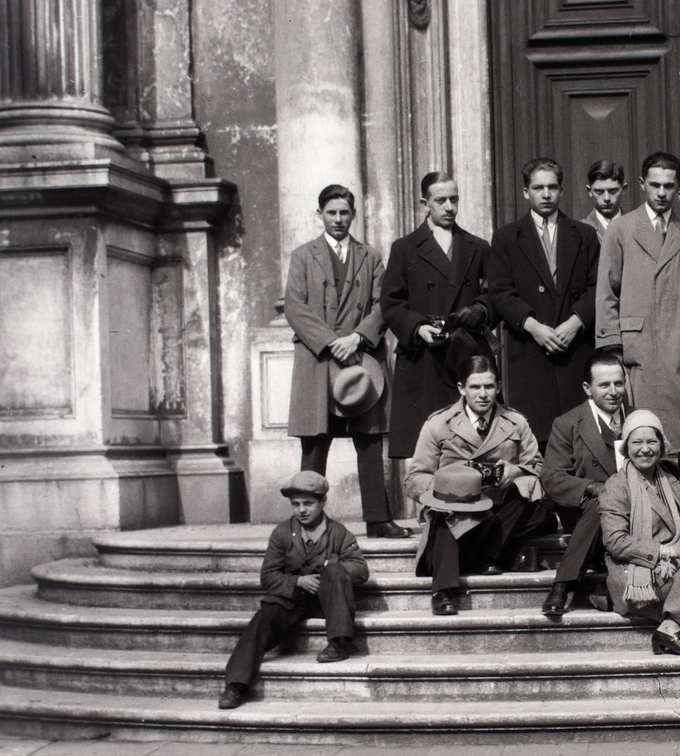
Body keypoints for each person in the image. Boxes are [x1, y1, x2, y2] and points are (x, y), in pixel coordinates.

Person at [282, 184, 409, 538]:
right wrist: (331, 341)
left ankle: (378, 519)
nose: (338, 219)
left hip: (360, 360)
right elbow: (295, 306)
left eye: (344, 212)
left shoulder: (370, 257)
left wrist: (358, 337)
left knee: (368, 440)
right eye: (331, 212)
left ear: (354, 215)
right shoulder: (303, 255)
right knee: (315, 441)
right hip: (319, 360)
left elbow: (384, 303)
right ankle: (304, 521)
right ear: (319, 214)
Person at [405, 356, 549, 616]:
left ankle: (487, 553)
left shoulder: (516, 422)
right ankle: (443, 590)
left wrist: (516, 470)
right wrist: (451, 486)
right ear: (461, 388)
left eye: (489, 387)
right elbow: (414, 478)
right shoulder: (439, 423)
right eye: (475, 387)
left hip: (498, 510)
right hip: (454, 509)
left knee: (530, 486)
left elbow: (539, 467)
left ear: (499, 386)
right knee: (444, 513)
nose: (483, 394)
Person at [594, 151, 680, 440]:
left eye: (669, 186)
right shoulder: (621, 229)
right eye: (655, 185)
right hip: (637, 347)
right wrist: (613, 349)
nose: (662, 193)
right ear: (641, 184)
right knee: (642, 427)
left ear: (679, 188)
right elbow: (606, 294)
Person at [218, 471, 369, 710]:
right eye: (296, 504)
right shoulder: (281, 533)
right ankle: (235, 686)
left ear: (323, 502)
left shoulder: (339, 533)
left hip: (327, 601)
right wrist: (298, 582)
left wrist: (335, 568)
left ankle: (339, 643)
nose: (302, 510)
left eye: (308, 503)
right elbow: (267, 577)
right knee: (261, 621)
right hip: (291, 600)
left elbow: (361, 570)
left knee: (337, 571)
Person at [488, 157, 602, 442]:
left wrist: (575, 323)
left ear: (562, 190)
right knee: (537, 438)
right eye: (538, 188)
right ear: (526, 192)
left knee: (581, 437)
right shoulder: (506, 238)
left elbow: (598, 286)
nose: (547, 194)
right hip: (530, 351)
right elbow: (500, 291)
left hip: (575, 349)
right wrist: (533, 327)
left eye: (552, 187)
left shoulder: (584, 235)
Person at [382, 172, 494, 460]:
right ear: (425, 203)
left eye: (454, 199)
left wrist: (479, 309)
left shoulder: (477, 246)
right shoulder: (404, 248)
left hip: (466, 352)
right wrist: (418, 328)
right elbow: (391, 302)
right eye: (440, 200)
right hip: (423, 357)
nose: (449, 207)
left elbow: (495, 294)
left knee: (472, 441)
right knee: (426, 446)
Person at [600, 409, 680, 654]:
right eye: (637, 442)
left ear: (662, 445)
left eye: (652, 441)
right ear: (626, 447)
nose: (645, 449)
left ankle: (671, 623)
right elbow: (615, 542)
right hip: (636, 574)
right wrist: (665, 550)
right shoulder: (616, 485)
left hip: (672, 564)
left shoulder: (669, 481)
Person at [539, 353, 627, 617]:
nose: (613, 392)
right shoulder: (568, 424)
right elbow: (552, 477)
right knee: (600, 502)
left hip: (633, 520)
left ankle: (593, 587)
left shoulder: (640, 419)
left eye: (619, 383)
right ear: (588, 389)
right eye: (604, 385)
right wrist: (592, 487)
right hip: (587, 519)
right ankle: (563, 584)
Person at [583, 159, 626, 239]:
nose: (606, 198)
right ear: (590, 191)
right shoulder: (580, 230)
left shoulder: (636, 226)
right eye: (599, 191)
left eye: (613, 191)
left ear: (623, 189)